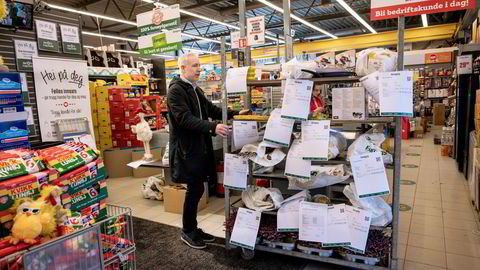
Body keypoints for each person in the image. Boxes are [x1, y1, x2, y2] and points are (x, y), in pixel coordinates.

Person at [167, 53, 239, 249]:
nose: (199, 69)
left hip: (198, 147)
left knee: (197, 189)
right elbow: (184, 119)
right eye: (194, 66)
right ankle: (188, 231)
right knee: (194, 189)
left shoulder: (194, 89)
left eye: (199, 65)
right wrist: (213, 127)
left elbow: (210, 109)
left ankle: (192, 228)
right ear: (182, 68)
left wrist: (236, 114)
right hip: (187, 149)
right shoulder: (176, 91)